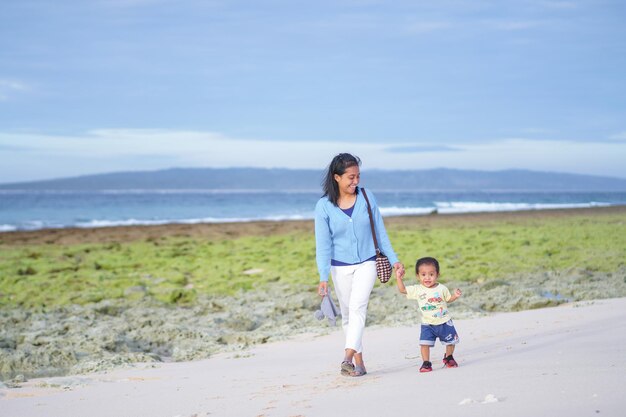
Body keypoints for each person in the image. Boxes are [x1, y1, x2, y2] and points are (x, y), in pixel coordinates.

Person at [315, 153, 405, 377]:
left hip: (368, 262)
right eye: (351, 177)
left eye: (358, 177)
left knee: (357, 308)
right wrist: (323, 277)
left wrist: (394, 260)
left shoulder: (367, 197)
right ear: (337, 178)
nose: (356, 182)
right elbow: (323, 245)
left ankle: (346, 357)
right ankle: (360, 363)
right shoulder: (323, 206)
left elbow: (381, 233)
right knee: (347, 315)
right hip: (339, 267)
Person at [396, 256, 462, 373]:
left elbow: (448, 299)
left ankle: (449, 357)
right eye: (423, 274)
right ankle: (426, 363)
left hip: (444, 321)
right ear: (418, 276)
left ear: (437, 275)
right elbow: (402, 290)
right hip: (427, 324)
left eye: (431, 274)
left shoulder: (442, 288)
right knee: (424, 344)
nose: (427, 278)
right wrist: (398, 278)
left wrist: (455, 296)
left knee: (451, 342)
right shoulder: (418, 289)